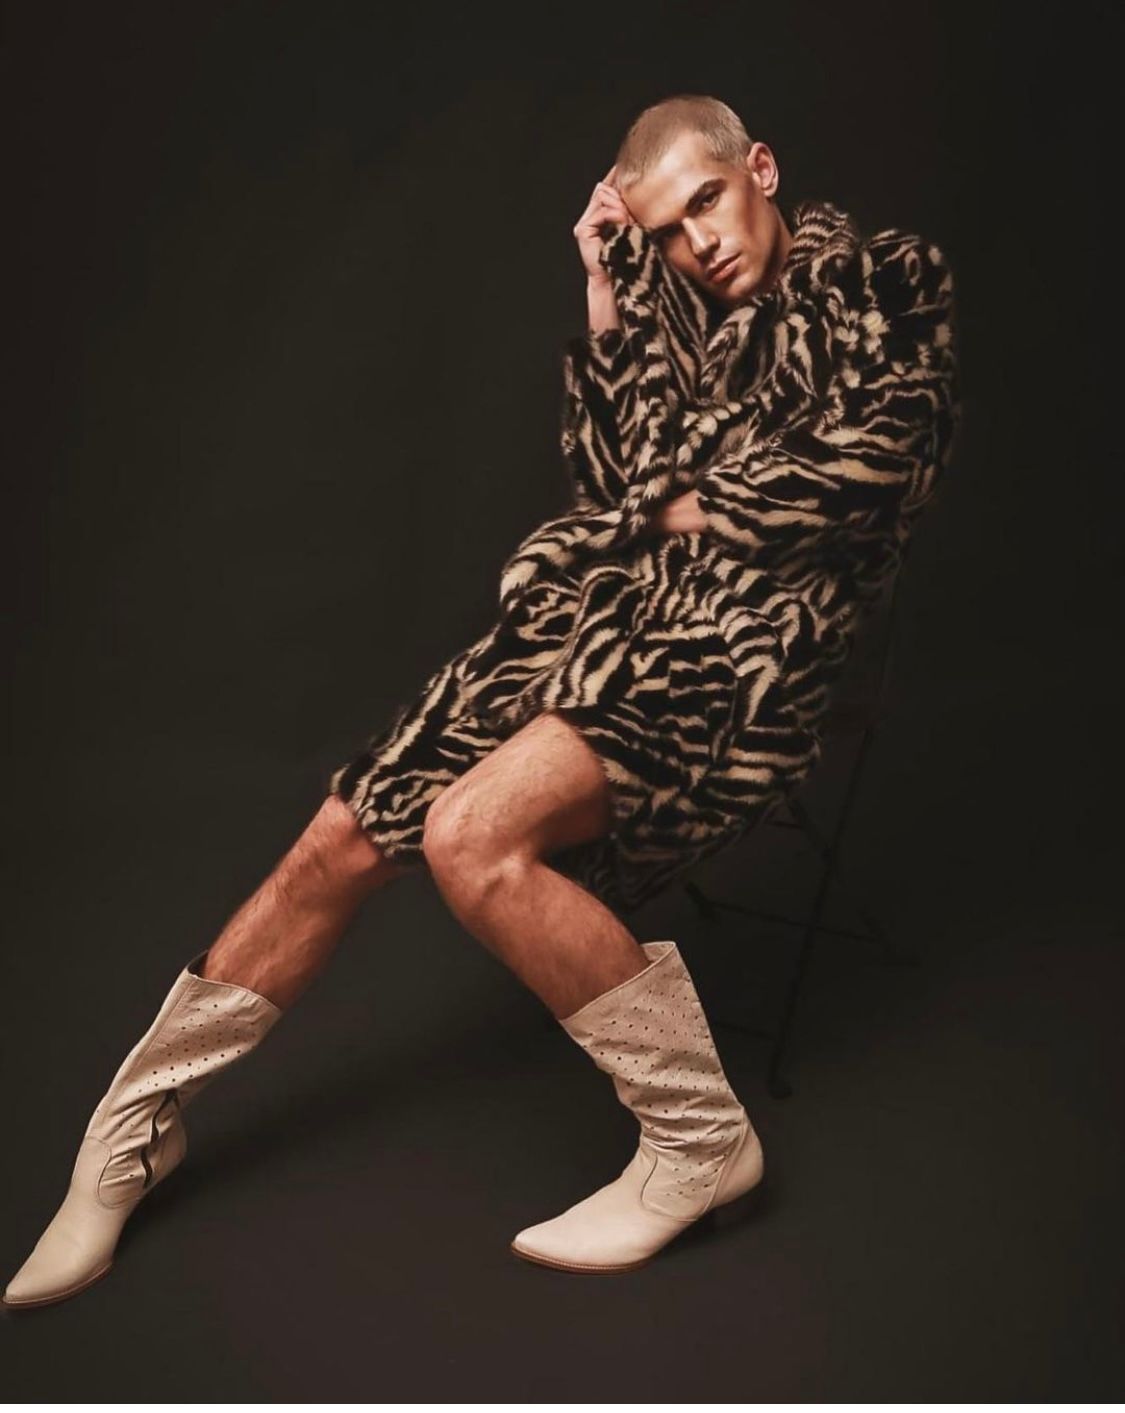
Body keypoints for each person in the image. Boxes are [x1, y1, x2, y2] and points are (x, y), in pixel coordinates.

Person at [3, 94, 961, 1303]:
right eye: (666, 230)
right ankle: (132, 1131)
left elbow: (861, 477)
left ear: (759, 170)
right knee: (346, 831)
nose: (695, 242)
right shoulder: (687, 318)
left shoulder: (883, 283)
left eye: (707, 203)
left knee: (469, 836)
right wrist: (607, 295)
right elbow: (613, 477)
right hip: (612, 623)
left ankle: (701, 1140)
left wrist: (663, 507)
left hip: (749, 661)